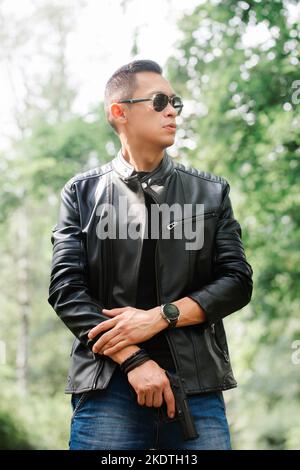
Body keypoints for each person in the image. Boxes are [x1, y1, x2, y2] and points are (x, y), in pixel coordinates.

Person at [48, 59, 253, 450]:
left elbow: (237, 282)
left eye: (175, 100)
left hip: (197, 389)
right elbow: (66, 292)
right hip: (108, 387)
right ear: (119, 112)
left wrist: (161, 317)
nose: (172, 109)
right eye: (159, 101)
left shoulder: (211, 193)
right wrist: (134, 359)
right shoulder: (81, 193)